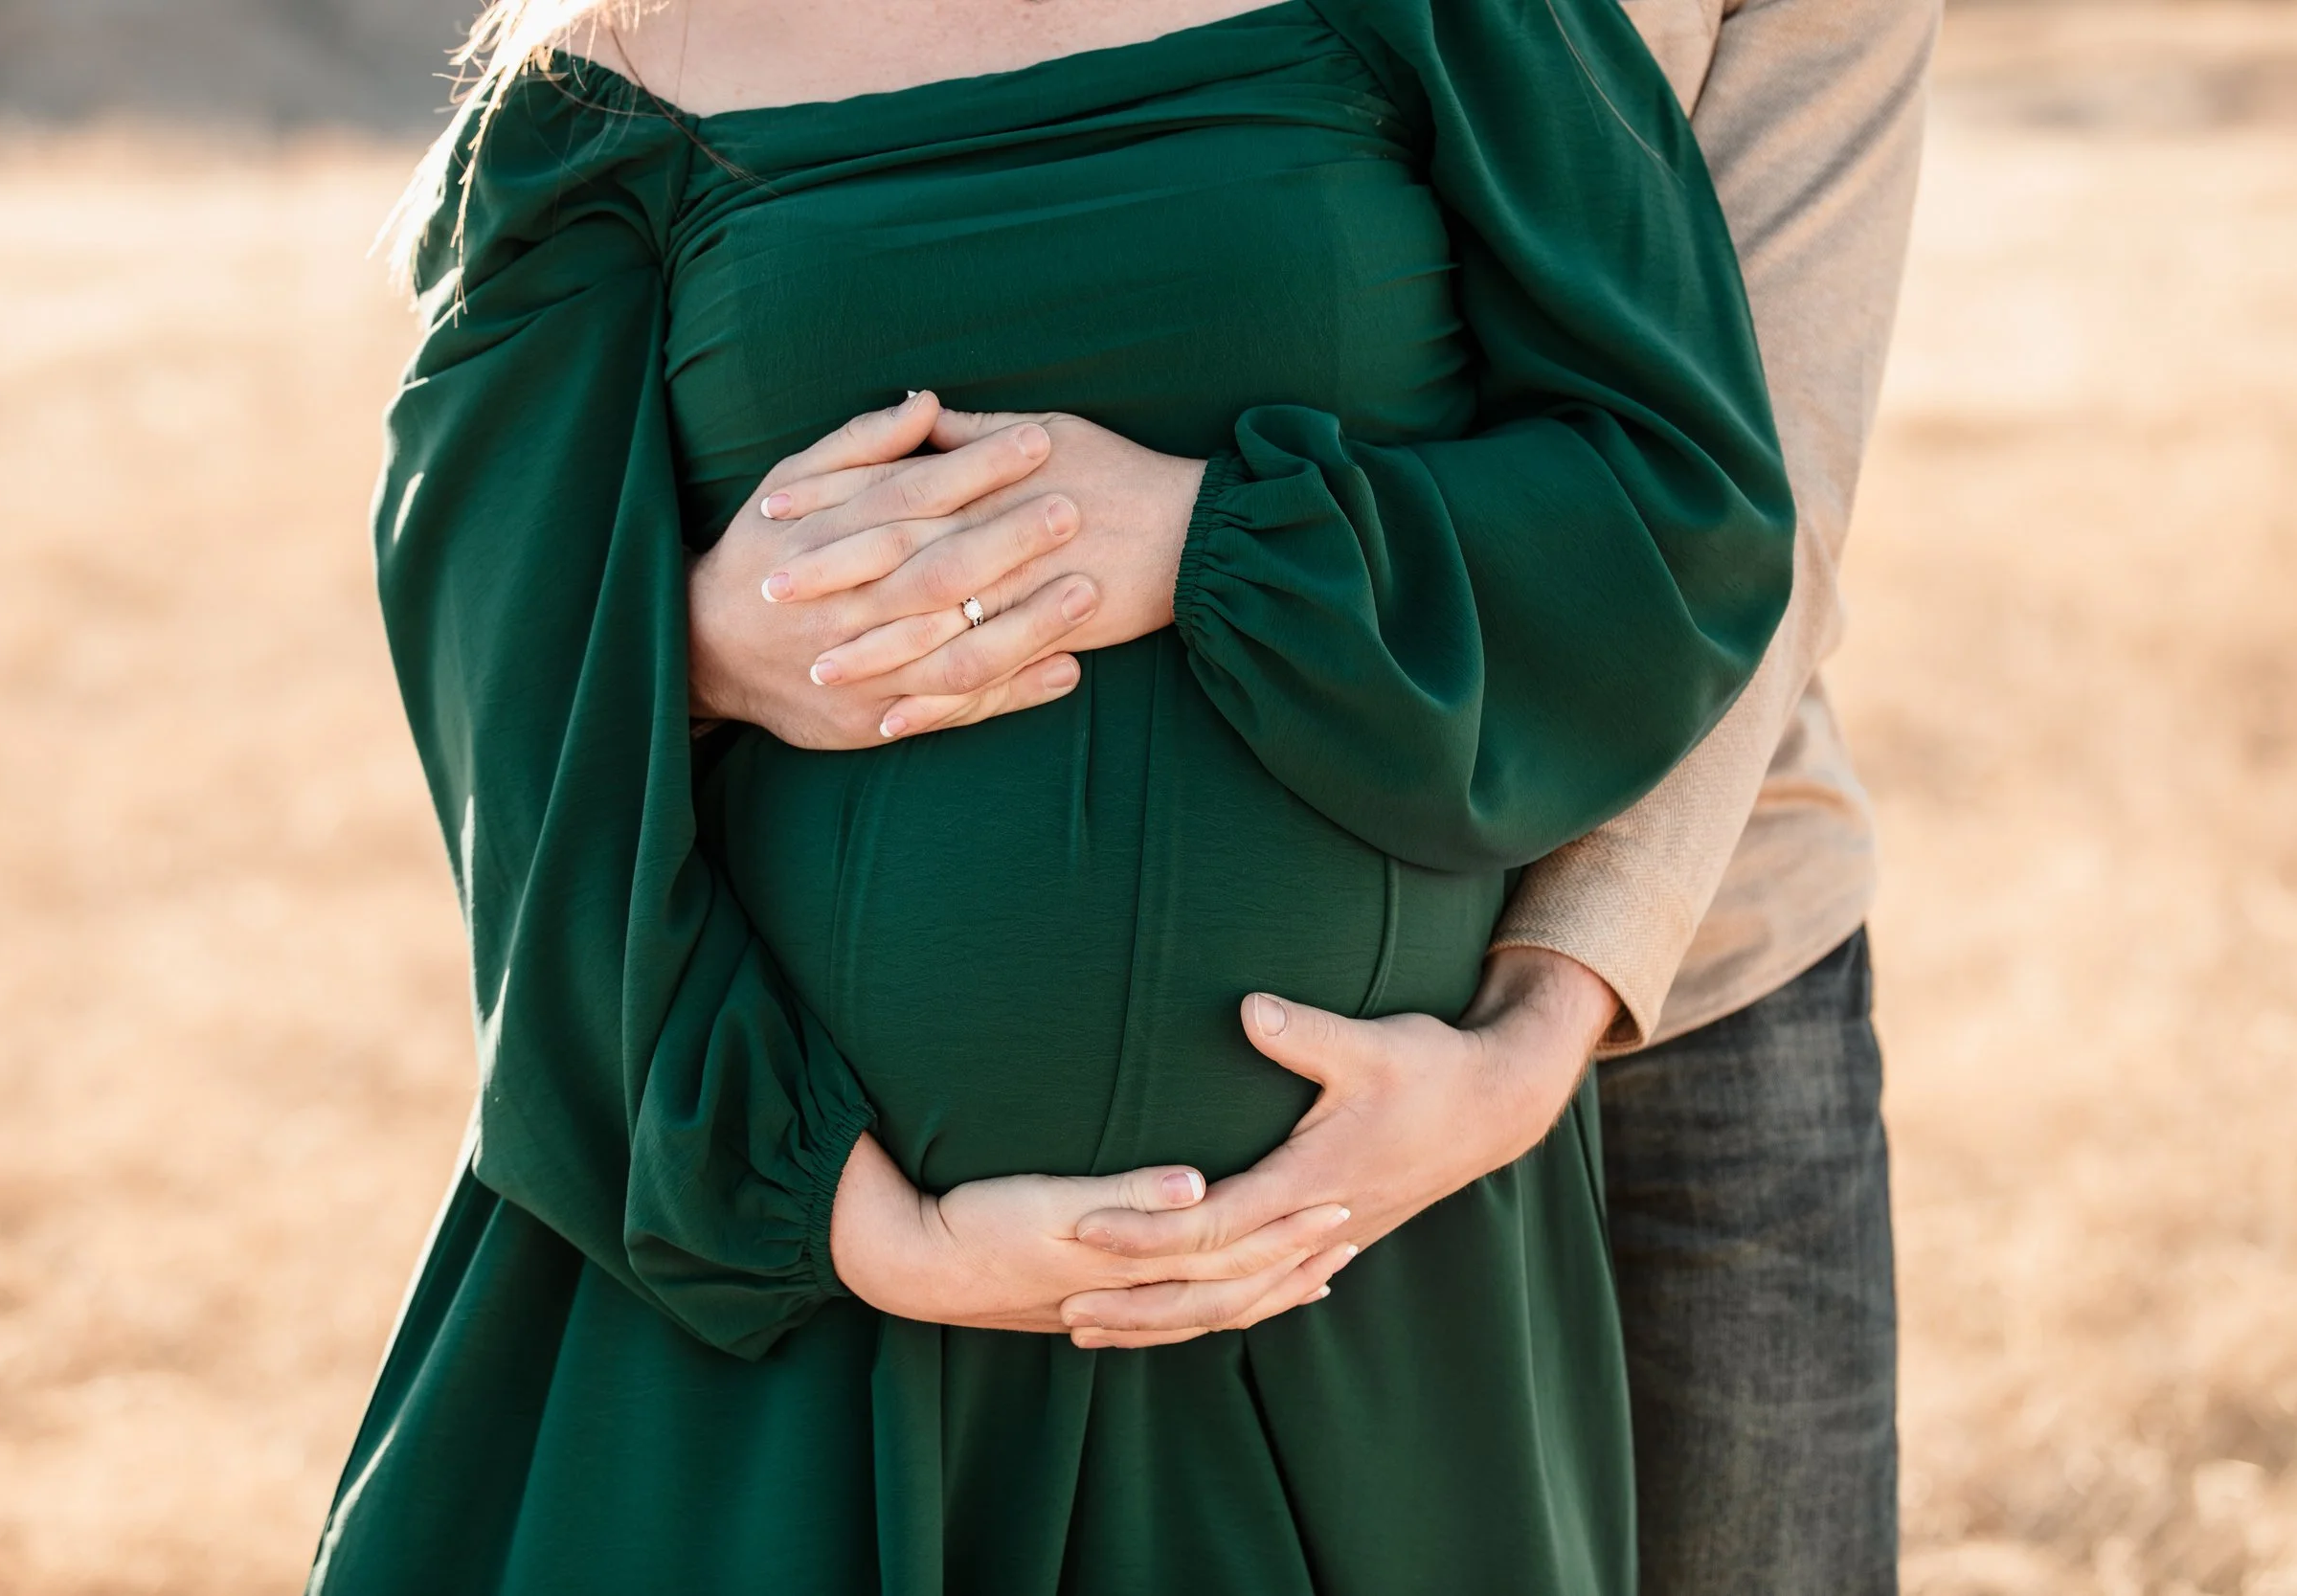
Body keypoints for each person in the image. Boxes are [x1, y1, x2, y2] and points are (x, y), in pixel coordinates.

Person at [310, 0, 1799, 1590]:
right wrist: (866, 1227)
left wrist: (1210, 538)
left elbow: (1679, 517)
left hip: (1350, 1290)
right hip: (787, 1337)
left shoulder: (1454, 20)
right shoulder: (608, 88)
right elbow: (507, 686)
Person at [676, 0, 1938, 1588]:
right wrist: (697, 643)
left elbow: (1758, 489)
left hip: (1685, 976)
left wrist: (1544, 1016)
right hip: (912, 1149)